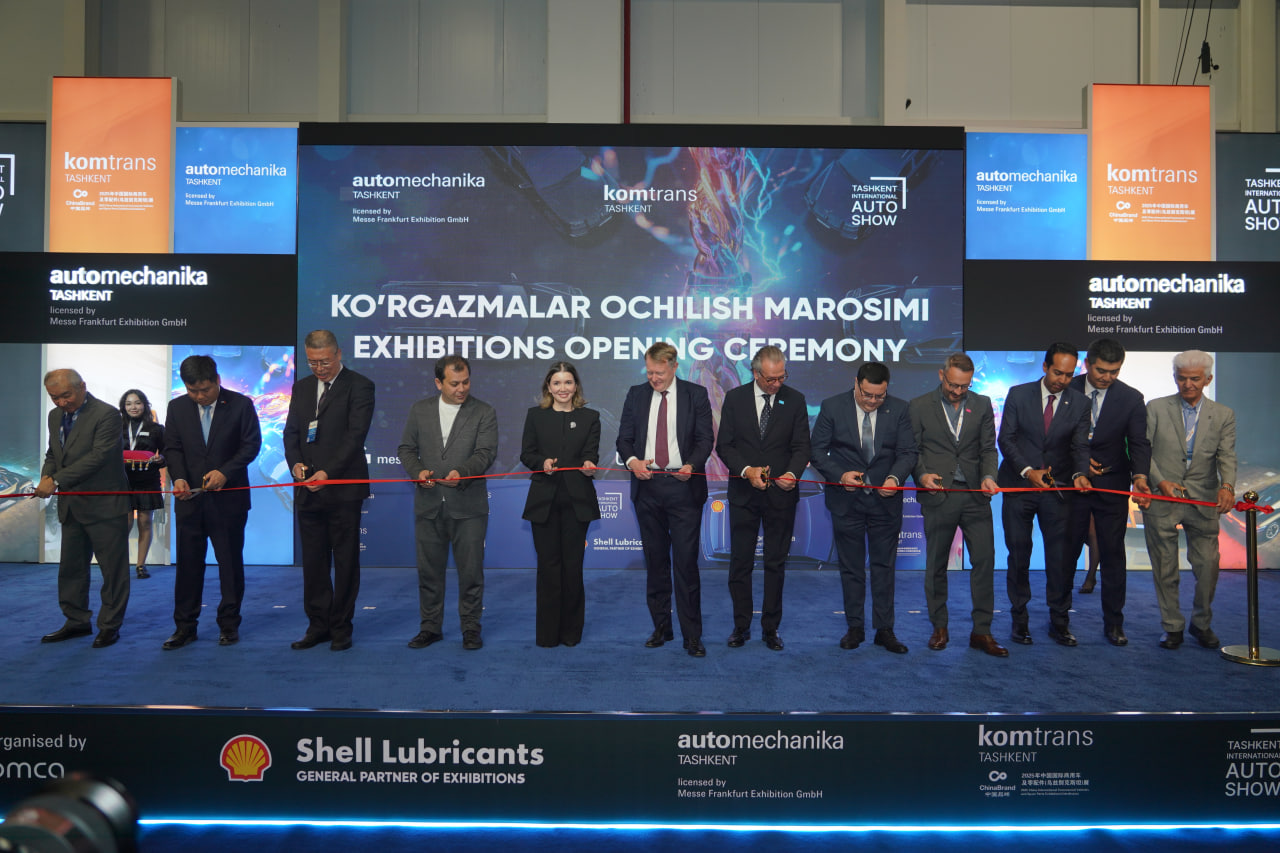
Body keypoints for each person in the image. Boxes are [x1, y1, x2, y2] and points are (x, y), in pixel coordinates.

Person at [811, 362, 918, 654]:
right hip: (847, 501)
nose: (872, 401)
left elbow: (908, 452)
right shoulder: (832, 407)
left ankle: (885, 630)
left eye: (879, 396)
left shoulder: (899, 409)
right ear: (856, 383)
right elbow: (817, 450)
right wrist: (840, 476)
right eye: (867, 394)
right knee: (851, 568)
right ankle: (854, 627)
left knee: (884, 567)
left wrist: (895, 478)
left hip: (885, 502)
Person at [617, 342, 714, 657]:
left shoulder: (695, 394)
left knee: (685, 565)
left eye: (659, 372)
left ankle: (692, 635)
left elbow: (705, 439)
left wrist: (692, 465)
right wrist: (632, 461)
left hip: (683, 488)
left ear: (674, 367)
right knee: (656, 563)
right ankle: (661, 628)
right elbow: (624, 439)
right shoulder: (636, 394)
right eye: (649, 372)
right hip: (647, 489)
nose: (654, 378)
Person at [907, 353, 1007, 657]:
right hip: (939, 495)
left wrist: (989, 476)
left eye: (964, 386)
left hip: (976, 496)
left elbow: (988, 449)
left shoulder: (982, 404)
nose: (957, 391)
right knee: (937, 564)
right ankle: (939, 627)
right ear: (942, 375)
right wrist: (922, 475)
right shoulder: (919, 405)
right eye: (953, 384)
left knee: (985, 562)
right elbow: (912, 450)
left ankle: (982, 632)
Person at [161, 356, 263, 649]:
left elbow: (251, 445)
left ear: (217, 380)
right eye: (192, 391)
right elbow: (172, 447)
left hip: (229, 501)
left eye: (205, 390)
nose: (199, 396)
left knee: (229, 565)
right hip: (189, 500)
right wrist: (179, 477)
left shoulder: (241, 405)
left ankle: (229, 625)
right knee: (188, 567)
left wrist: (225, 472)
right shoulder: (177, 407)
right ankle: (184, 627)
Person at [713, 346, 811, 651]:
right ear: (756, 374)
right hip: (744, 495)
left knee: (775, 563)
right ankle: (740, 626)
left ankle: (771, 628)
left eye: (782, 377)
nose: (777, 384)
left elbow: (802, 447)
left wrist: (792, 474)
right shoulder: (735, 398)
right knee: (740, 563)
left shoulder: (795, 400)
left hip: (781, 496)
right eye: (771, 379)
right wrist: (746, 470)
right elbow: (724, 446)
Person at [284, 330, 376, 652]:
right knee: (313, 563)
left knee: (346, 561)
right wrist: (295, 464)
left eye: (324, 362)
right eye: (312, 362)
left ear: (338, 354)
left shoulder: (360, 386)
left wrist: (328, 472)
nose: (319, 368)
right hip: (307, 489)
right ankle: (317, 625)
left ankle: (341, 627)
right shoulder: (301, 388)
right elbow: (291, 433)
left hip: (342, 489)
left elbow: (355, 437)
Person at [399, 354, 498, 651]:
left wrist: (462, 473)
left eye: (466, 382)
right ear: (438, 383)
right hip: (429, 505)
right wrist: (418, 472)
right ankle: (430, 628)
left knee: (471, 574)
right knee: (429, 573)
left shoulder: (484, 412)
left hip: (469, 507)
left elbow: (485, 453)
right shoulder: (419, 410)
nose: (462, 388)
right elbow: (406, 449)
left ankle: (471, 628)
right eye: (454, 383)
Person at [997, 342, 1091, 647]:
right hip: (1019, 486)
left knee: (1060, 559)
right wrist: (1028, 471)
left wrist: (1080, 474)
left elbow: (1079, 446)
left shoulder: (1080, 403)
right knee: (1019, 555)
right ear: (1045, 367)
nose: (1062, 380)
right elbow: (1006, 439)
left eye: (1068, 374)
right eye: (1057, 373)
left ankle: (1059, 622)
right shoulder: (1018, 394)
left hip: (1058, 491)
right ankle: (1019, 621)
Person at [1144, 350, 1236, 650]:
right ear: (1175, 378)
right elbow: (1142, 450)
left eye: (1195, 379)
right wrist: (1159, 482)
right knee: (1165, 567)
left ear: (1208, 379)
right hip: (1162, 496)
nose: (1188, 384)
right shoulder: (1156, 408)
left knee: (1208, 566)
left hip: (1204, 499)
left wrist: (1228, 486)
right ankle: (1172, 626)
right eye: (1182, 378)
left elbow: (1226, 455)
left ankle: (1201, 622)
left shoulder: (1223, 414)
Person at [1063, 339, 1152, 647]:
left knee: (1113, 554)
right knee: (1066, 552)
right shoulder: (1067, 388)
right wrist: (1079, 462)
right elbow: (1053, 437)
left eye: (1114, 371)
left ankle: (1114, 624)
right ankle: (1059, 621)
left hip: (1113, 486)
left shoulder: (1131, 398)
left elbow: (1139, 442)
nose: (1107, 377)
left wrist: (1140, 477)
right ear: (1087, 363)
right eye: (1101, 370)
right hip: (1072, 484)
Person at [33, 369, 130, 648]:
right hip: (72, 505)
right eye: (54, 397)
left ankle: (109, 626)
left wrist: (56, 480)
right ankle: (76, 621)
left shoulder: (107, 414)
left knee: (113, 571)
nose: (61, 402)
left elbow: (99, 457)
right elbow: (54, 454)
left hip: (105, 505)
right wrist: (46, 476)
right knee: (71, 569)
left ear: (82, 387)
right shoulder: (55, 416)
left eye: (66, 395)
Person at [520, 362, 600, 647]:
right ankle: (547, 635)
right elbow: (527, 454)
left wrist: (589, 465)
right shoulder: (535, 416)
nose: (563, 388)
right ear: (548, 387)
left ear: (575, 386)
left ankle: (571, 634)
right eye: (557, 383)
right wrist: (541, 463)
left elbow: (591, 454)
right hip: (544, 502)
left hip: (577, 503)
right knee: (548, 568)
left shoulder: (590, 417)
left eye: (568, 382)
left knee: (572, 568)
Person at [119, 389, 165, 580]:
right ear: (123, 407)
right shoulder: (116, 427)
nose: (133, 407)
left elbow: (167, 452)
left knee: (145, 521)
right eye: (129, 403)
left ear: (144, 405)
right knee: (125, 522)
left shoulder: (156, 429)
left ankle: (140, 565)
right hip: (123, 480)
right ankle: (119, 564)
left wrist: (161, 459)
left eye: (137, 403)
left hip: (147, 479)